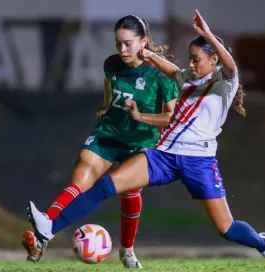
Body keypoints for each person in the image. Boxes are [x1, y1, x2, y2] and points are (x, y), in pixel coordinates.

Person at [26, 9, 265, 269]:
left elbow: (230, 65)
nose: (191, 64)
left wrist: (207, 34)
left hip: (199, 162)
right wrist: (148, 55)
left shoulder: (225, 82)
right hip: (164, 155)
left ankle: (263, 244)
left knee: (226, 228)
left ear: (214, 58)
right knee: (106, 186)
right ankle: (49, 228)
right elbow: (173, 71)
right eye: (189, 59)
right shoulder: (188, 79)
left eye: (196, 59)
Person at [21, 15, 179, 268]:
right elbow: (110, 83)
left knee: (129, 191)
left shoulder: (161, 74)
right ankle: (44, 230)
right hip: (108, 135)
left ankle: (127, 251)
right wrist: (106, 106)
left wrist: (140, 116)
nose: (122, 49)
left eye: (128, 43)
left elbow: (172, 117)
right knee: (80, 179)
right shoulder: (112, 64)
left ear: (144, 42)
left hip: (140, 142)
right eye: (118, 43)